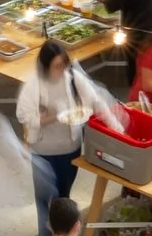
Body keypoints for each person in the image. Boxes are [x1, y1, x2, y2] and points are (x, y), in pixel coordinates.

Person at [18, 39, 99, 218]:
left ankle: (60, 235)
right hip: (42, 150)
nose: (62, 70)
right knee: (43, 198)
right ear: (45, 67)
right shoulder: (33, 86)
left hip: (70, 148)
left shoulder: (72, 77)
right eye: (57, 66)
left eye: (64, 64)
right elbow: (24, 117)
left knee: (63, 197)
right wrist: (52, 117)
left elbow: (94, 99)